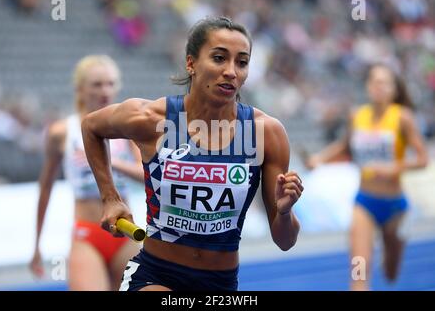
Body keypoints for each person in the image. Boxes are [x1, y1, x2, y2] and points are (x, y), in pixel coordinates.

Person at [81, 16, 304, 291]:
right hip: (156, 274)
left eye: (242, 62)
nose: (231, 71)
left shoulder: (266, 133)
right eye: (219, 58)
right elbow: (91, 127)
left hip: (220, 283)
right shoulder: (152, 118)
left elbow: (285, 241)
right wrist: (110, 198)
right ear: (191, 63)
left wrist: (284, 213)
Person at [307, 63, 428, 291]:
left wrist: (394, 167)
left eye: (384, 82)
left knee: (391, 274)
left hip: (395, 208)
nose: (378, 86)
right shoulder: (358, 115)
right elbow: (345, 146)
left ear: (394, 89)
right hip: (364, 204)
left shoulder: (402, 117)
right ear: (367, 86)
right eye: (374, 81)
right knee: (359, 275)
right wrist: (320, 159)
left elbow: (423, 159)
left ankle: (388, 255)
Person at [30, 55, 144, 291]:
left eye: (111, 84)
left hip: (126, 233)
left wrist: (109, 163)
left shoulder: (127, 128)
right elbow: (45, 188)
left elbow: (148, 177)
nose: (105, 90)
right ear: (80, 89)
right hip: (87, 235)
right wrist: (37, 245)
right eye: (97, 84)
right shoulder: (61, 132)